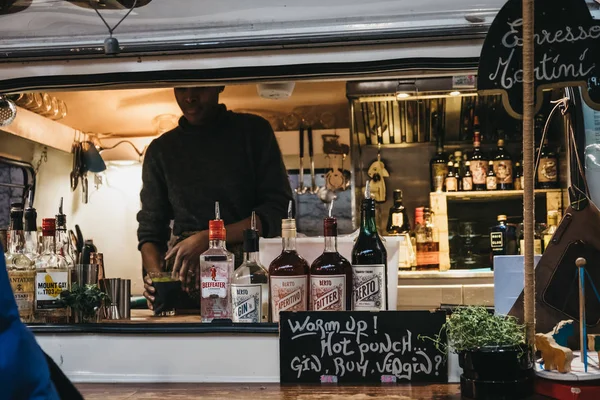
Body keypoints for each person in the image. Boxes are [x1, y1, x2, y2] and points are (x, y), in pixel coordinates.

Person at [138, 86, 293, 309]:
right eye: (181, 88)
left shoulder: (253, 132)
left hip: (248, 281)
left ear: (219, 84)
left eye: (199, 87)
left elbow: (279, 211)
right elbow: (149, 231)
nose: (189, 97)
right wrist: (158, 279)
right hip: (184, 287)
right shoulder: (160, 150)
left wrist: (208, 239)